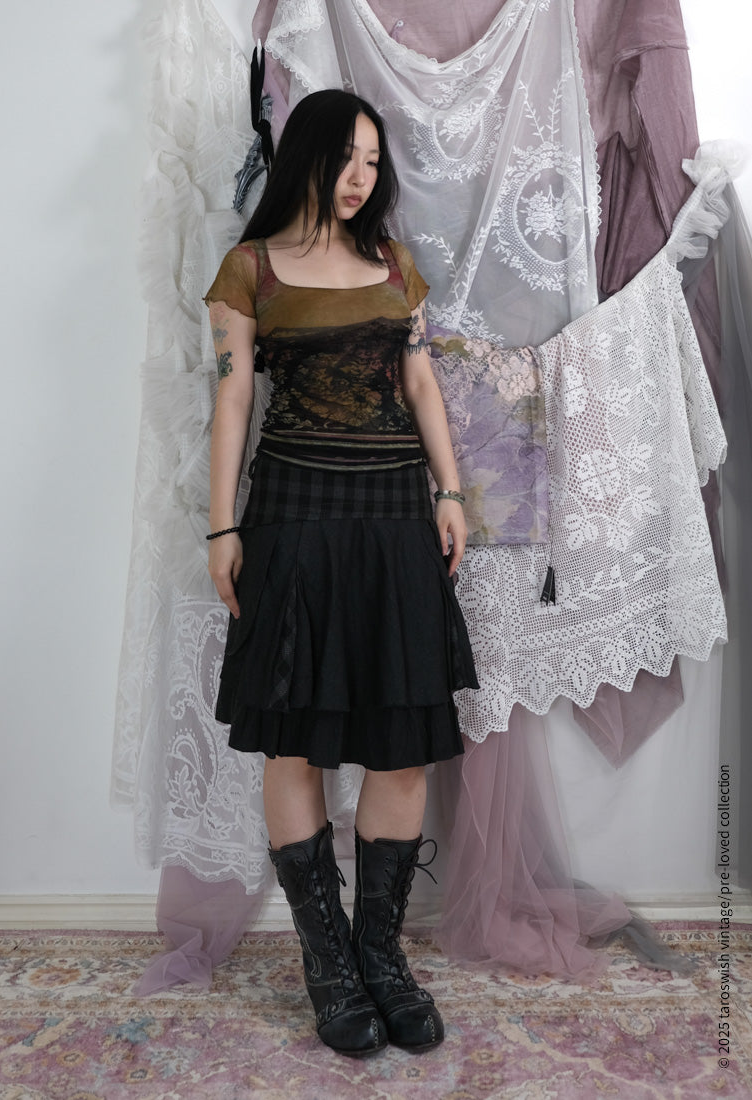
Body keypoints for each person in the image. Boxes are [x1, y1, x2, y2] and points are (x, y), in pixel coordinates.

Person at [204, 89, 478, 1056]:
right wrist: (220, 526)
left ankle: (381, 958)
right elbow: (231, 403)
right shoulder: (249, 269)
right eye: (345, 158)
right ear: (307, 160)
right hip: (291, 519)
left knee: (401, 745)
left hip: (394, 520)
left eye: (372, 161)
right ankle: (327, 963)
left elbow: (419, 381)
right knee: (295, 745)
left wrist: (449, 492)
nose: (361, 178)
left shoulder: (395, 266)